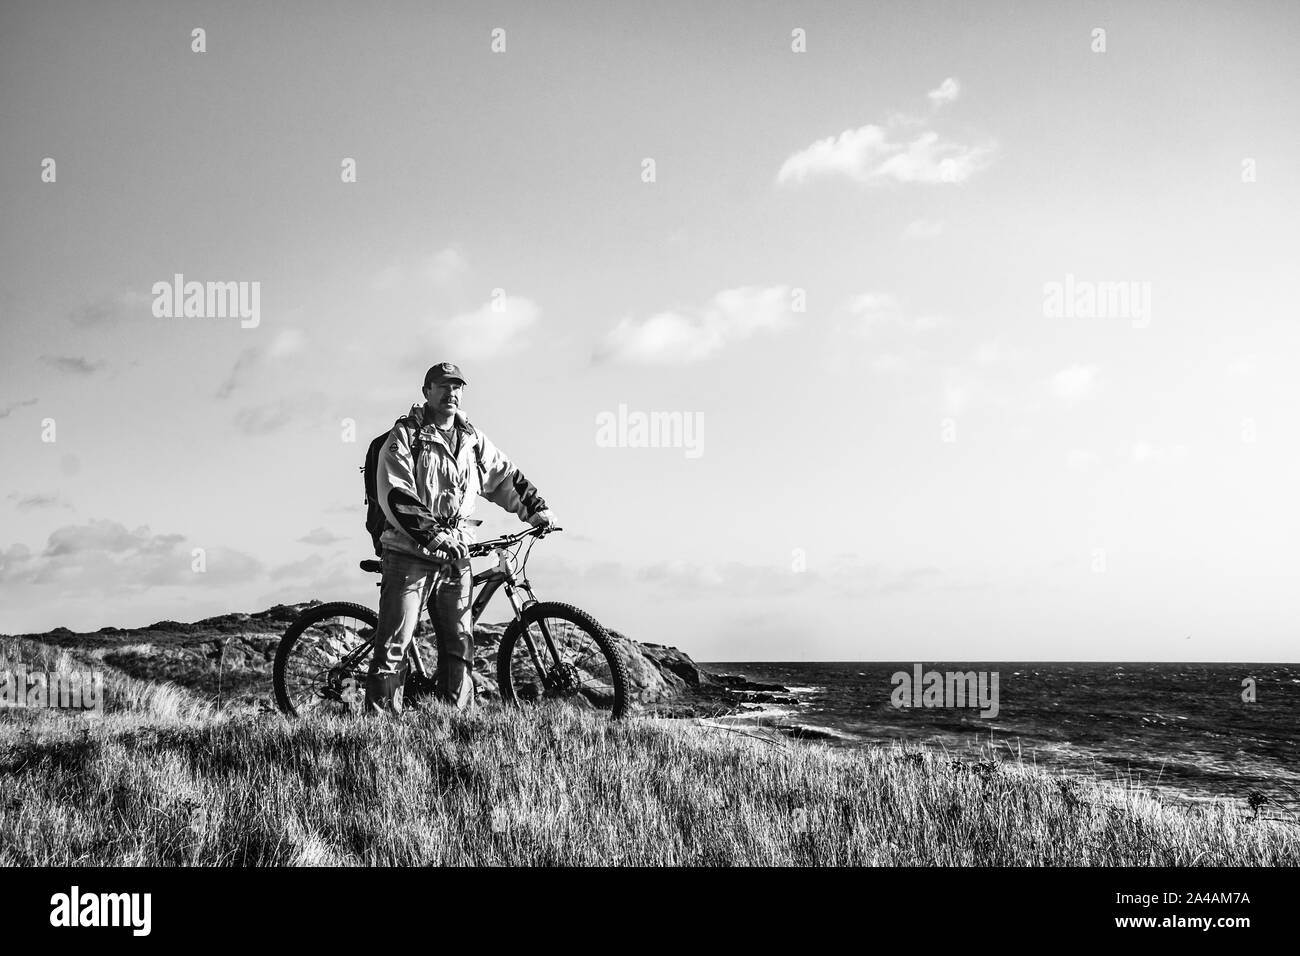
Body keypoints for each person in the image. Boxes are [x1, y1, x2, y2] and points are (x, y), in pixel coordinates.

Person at [366, 361, 555, 714]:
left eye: (457, 387)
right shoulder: (406, 436)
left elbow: (503, 477)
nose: (451, 393)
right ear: (426, 392)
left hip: (456, 553)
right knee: (395, 645)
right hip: (410, 552)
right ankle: (379, 729)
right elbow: (396, 493)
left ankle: (452, 720)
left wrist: (536, 509)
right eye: (442, 386)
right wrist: (434, 535)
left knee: (460, 643)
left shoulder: (471, 438)